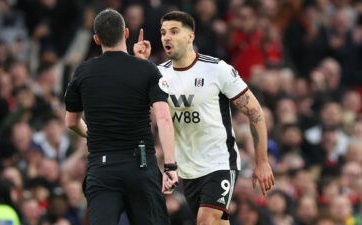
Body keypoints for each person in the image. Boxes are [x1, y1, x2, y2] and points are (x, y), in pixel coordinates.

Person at [134, 11, 275, 225]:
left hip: (219, 162)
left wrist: (262, 161)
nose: (166, 38)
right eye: (163, 33)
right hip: (188, 169)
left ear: (190, 36)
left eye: (174, 32)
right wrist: (140, 65)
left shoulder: (216, 69)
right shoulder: (157, 74)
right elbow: (135, 107)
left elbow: (255, 112)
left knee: (206, 221)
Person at [64, 9, 178, 225]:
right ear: (126, 33)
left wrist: (93, 134)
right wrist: (170, 166)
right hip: (141, 166)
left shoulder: (83, 72)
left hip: (102, 168)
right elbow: (163, 118)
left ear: (96, 39)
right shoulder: (147, 69)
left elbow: (71, 121)